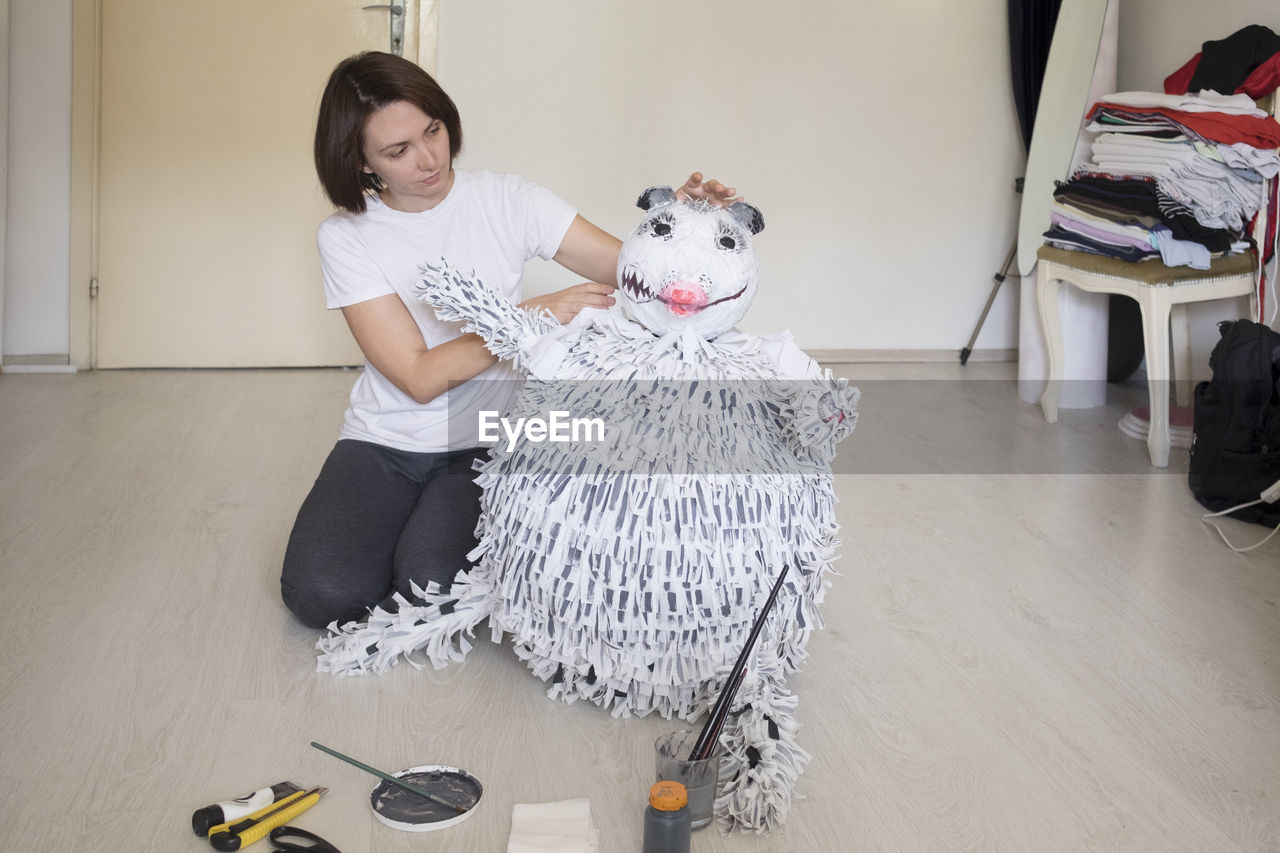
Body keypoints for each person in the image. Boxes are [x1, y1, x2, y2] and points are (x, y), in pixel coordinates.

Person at [281, 51, 741, 629]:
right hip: (384, 442)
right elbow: (420, 377)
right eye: (398, 151)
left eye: (433, 131)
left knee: (429, 587)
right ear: (361, 161)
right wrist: (526, 317)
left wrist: (684, 226)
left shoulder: (508, 200)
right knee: (323, 596)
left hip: (488, 442)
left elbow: (636, 272)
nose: (429, 159)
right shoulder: (347, 237)